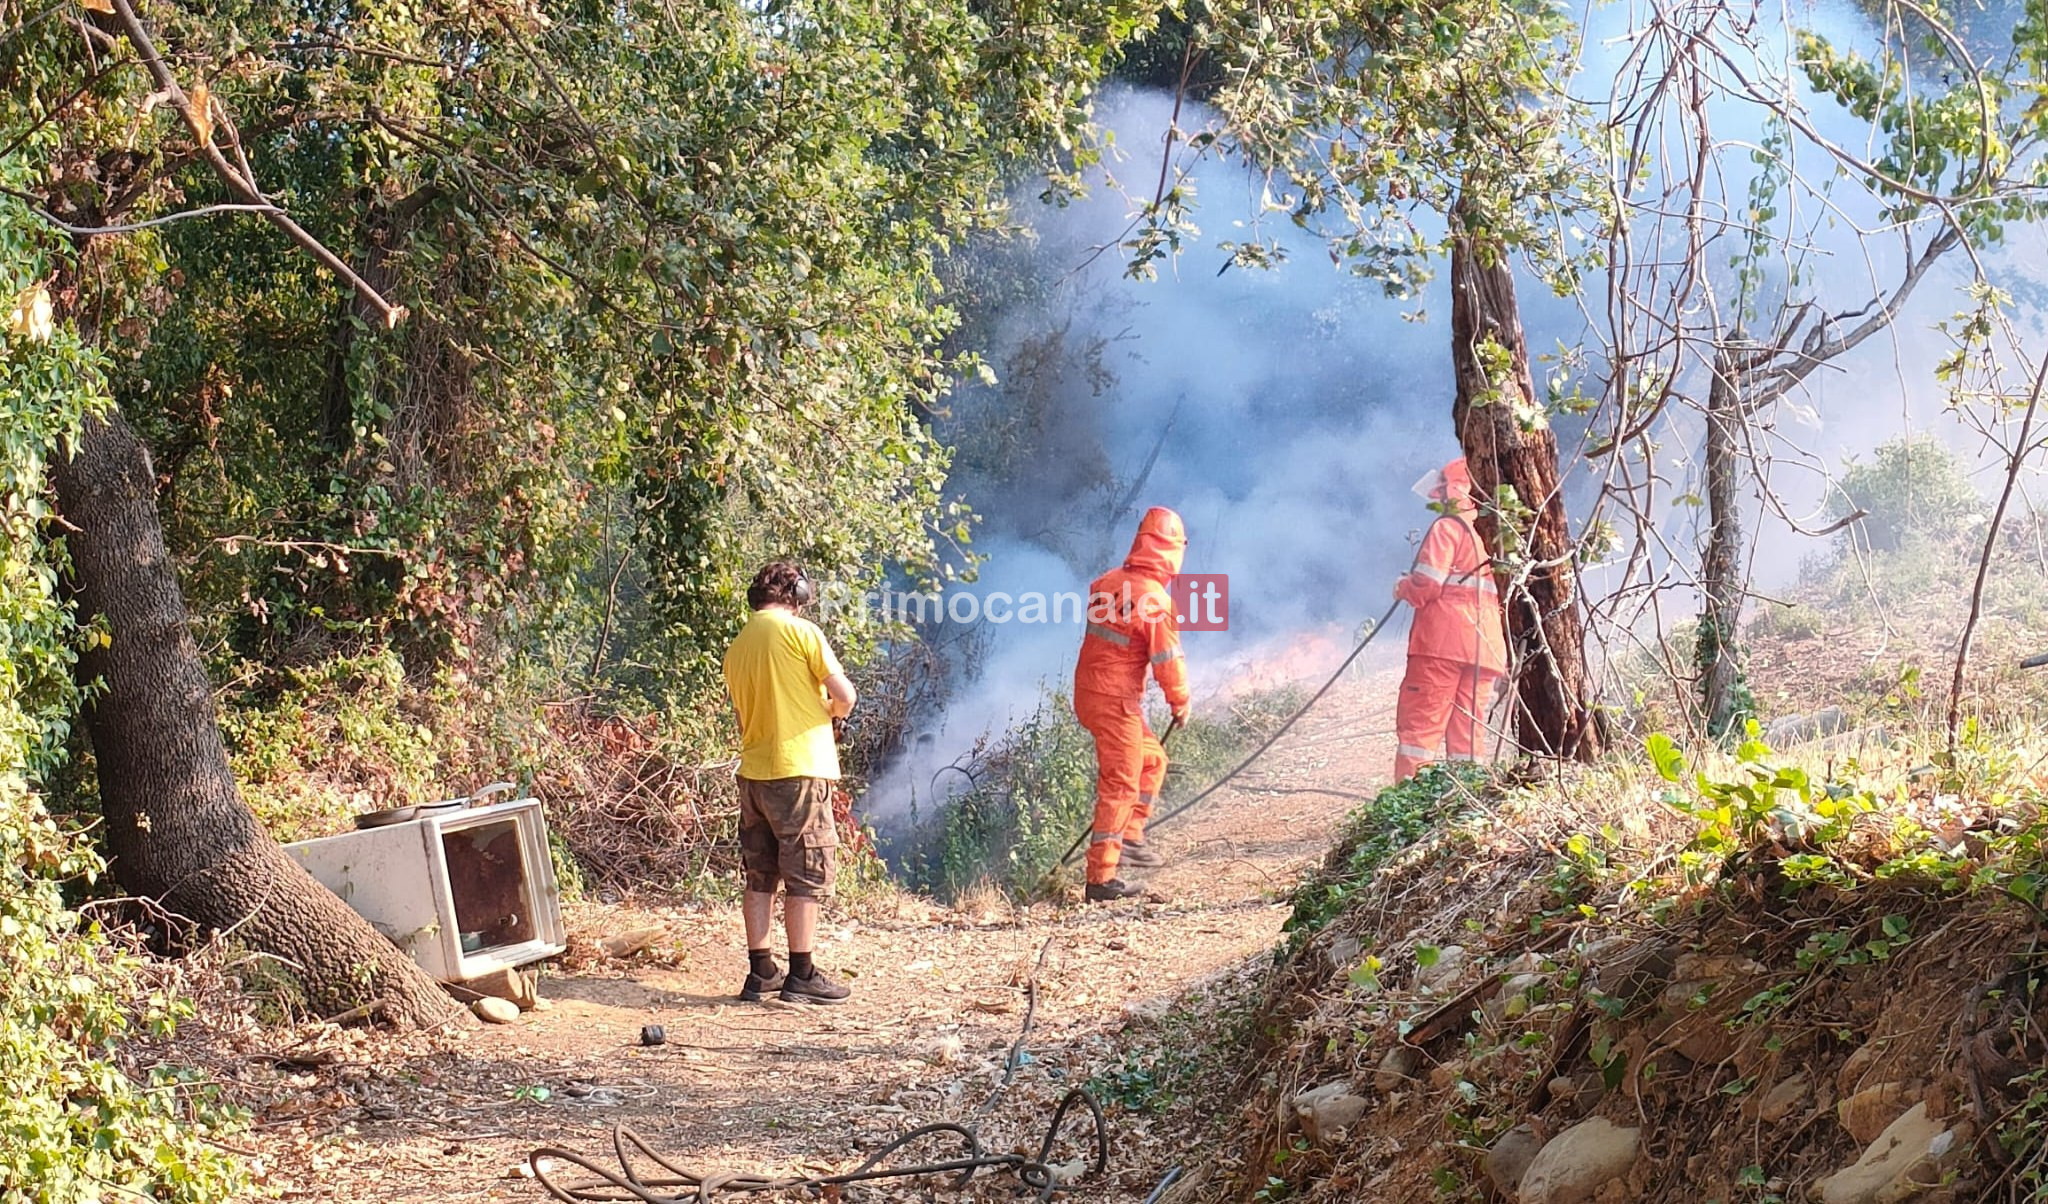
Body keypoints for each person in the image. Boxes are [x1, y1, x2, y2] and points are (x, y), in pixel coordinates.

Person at [721, 561, 858, 1004]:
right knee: (806, 874)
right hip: (799, 769)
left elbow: (745, 716)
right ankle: (802, 973)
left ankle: (761, 970)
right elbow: (846, 697)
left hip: (754, 772)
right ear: (795, 594)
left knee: (760, 874)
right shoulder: (803, 634)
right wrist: (831, 715)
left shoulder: (737, 647)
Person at [1073, 507, 1191, 903]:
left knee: (1152, 760)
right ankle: (1101, 879)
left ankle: (1129, 837)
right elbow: (1167, 661)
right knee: (1121, 784)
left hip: (1090, 695)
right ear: (1173, 552)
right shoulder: (1155, 601)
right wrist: (1181, 701)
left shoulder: (1106, 583)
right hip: (1115, 702)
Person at [1392, 458, 1508, 781]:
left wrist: (1403, 587)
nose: (1439, 499)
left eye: (1442, 491)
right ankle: (1465, 806)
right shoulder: (1497, 533)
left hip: (1440, 646)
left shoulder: (1447, 528)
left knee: (1420, 732)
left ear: (1455, 490)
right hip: (1485, 650)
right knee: (1468, 738)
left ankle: (1408, 807)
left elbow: (1427, 586)